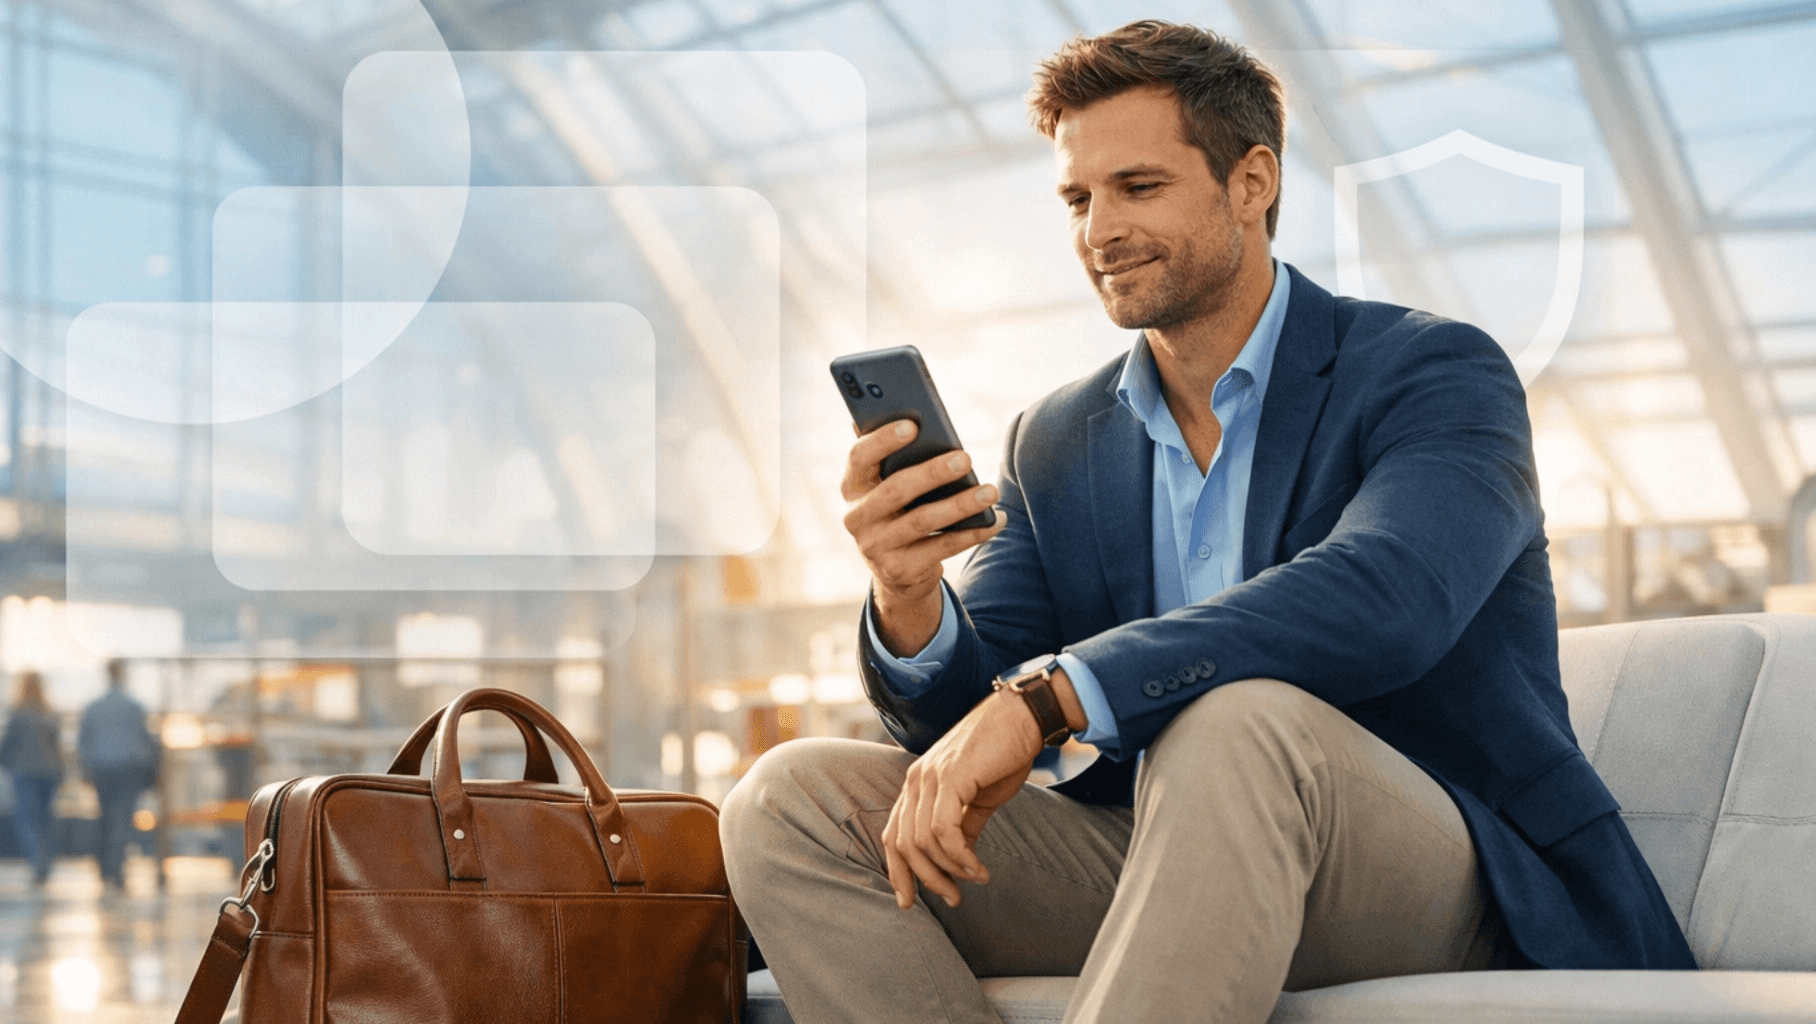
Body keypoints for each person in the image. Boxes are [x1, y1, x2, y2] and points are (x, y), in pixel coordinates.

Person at [720, 20, 1694, 1024]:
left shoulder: (1430, 370)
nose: (1097, 230)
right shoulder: (1055, 437)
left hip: (1445, 880)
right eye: (1075, 197)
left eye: (1136, 188)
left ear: (1250, 182)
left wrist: (1055, 697)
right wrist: (907, 595)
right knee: (790, 800)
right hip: (1169, 861)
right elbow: (963, 718)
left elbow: (1386, 595)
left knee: (1235, 717)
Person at [77, 660, 160, 891]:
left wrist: (85, 769)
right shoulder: (134, 706)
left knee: (104, 817)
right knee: (121, 820)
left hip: (101, 769)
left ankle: (105, 867)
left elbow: (84, 741)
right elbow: (146, 740)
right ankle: (115, 868)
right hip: (128, 769)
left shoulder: (94, 707)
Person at [0, 671, 64, 886]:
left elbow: (4, 748)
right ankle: (46, 862)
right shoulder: (50, 715)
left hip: (25, 771)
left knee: (27, 820)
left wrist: (5, 763)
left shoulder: (18, 715)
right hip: (51, 773)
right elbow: (56, 746)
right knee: (45, 820)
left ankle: (39, 864)